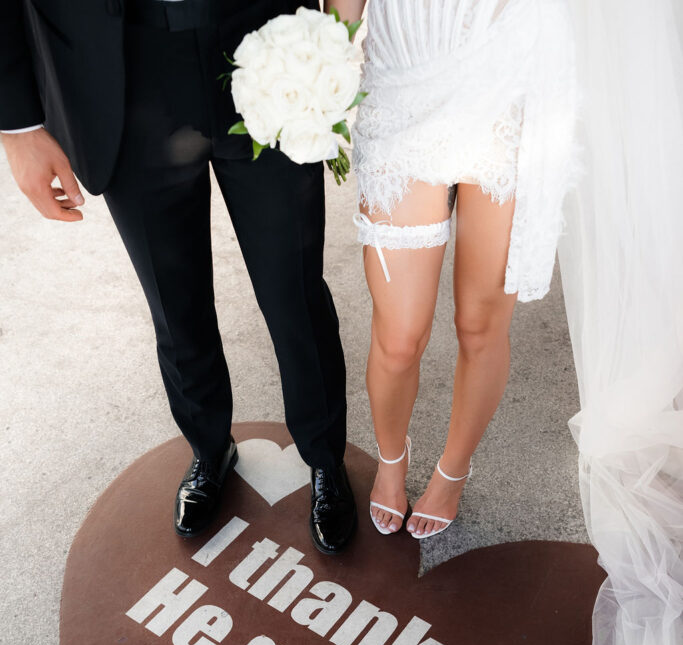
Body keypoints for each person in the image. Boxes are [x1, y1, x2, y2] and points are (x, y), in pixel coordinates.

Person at [0, 0, 358, 555]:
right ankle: (209, 446)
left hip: (264, 38)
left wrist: (338, 38)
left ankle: (324, 456)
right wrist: (17, 124)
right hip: (121, 66)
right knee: (173, 299)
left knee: (295, 292)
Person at [328, 0, 576, 539]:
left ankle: (453, 470)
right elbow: (341, 14)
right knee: (398, 339)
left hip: (509, 86)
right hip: (404, 79)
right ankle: (392, 458)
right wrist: (321, 64)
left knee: (480, 324)